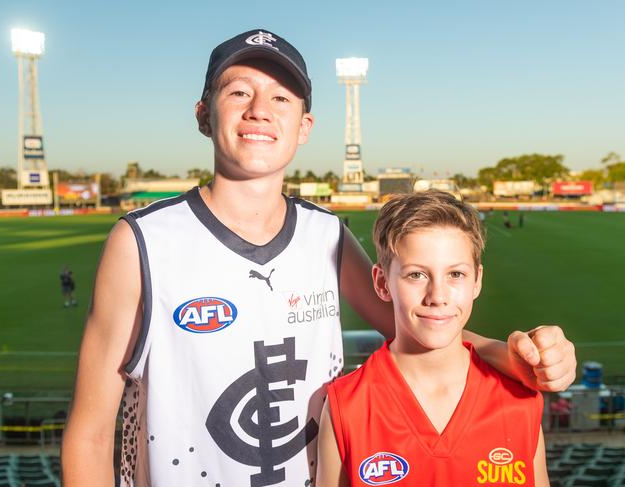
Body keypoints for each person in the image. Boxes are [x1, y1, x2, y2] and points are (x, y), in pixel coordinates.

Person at [62, 29, 575, 486]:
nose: (259, 109)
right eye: (239, 91)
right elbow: (88, 437)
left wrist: (514, 356)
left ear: (304, 126)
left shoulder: (325, 234)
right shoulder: (142, 242)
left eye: (280, 97)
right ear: (203, 113)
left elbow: (425, 325)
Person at [317, 191, 549, 486]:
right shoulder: (345, 406)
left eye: (455, 274)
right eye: (416, 275)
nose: (437, 296)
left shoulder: (521, 403)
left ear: (477, 281)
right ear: (381, 283)